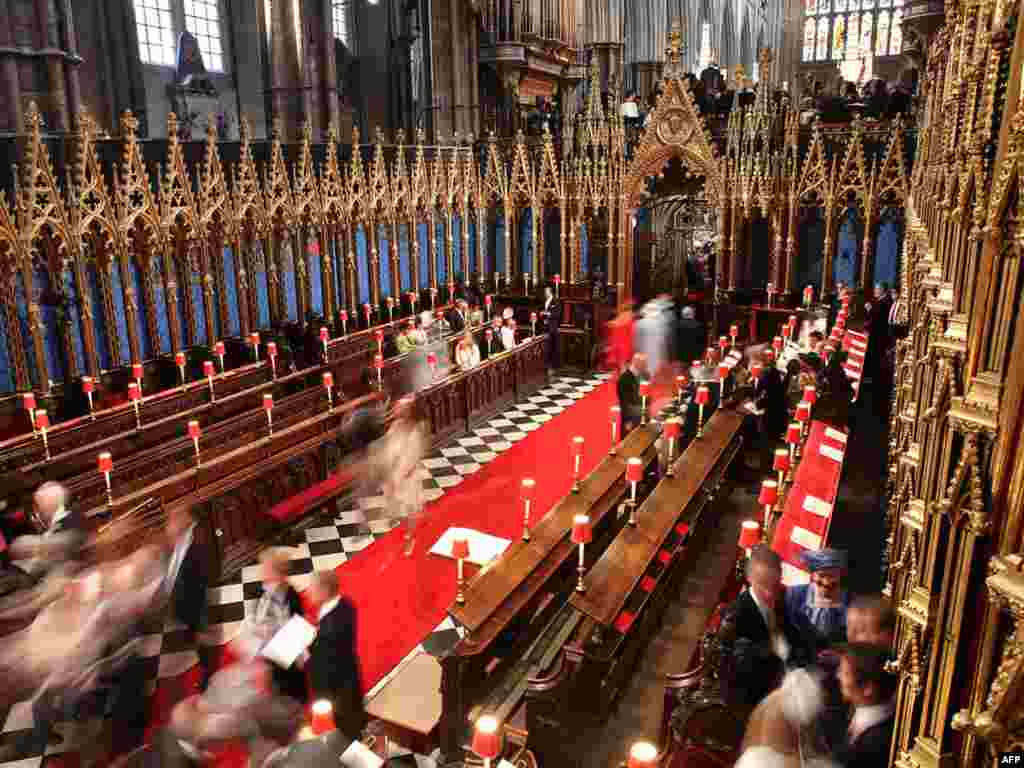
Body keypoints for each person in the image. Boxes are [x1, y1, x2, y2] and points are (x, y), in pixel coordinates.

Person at [728, 546, 807, 709]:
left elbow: (791, 633)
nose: (770, 593)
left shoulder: (779, 599)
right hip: (756, 695)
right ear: (750, 579)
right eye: (763, 585)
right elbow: (743, 665)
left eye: (775, 585)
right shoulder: (738, 614)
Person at [238, 547, 308, 703]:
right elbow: (252, 623)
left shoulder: (291, 596)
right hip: (267, 658)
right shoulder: (258, 592)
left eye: (265, 567)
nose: (260, 571)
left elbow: (297, 632)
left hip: (286, 662)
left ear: (277, 572)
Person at [305, 570, 365, 742]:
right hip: (349, 676)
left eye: (312, 588)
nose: (308, 592)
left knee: (344, 731)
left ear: (324, 591)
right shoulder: (346, 603)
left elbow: (323, 661)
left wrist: (306, 650)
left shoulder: (330, 627)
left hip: (336, 690)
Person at [166, 507, 212, 686]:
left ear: (183, 524)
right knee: (195, 641)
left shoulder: (196, 544)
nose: (168, 526)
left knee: (202, 644)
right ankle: (204, 667)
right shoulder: (180, 542)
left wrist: (200, 617)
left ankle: (207, 677)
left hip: (195, 605)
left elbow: (200, 582)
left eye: (172, 522)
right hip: (186, 604)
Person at [832, 643, 897, 767]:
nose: (838, 676)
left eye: (845, 673)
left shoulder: (876, 742)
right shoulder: (855, 707)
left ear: (867, 688)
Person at [10, 482, 86, 579]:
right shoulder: (53, 525)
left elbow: (65, 552)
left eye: (39, 504)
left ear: (50, 503)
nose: (38, 510)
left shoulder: (73, 519)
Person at [785, 549, 851, 655]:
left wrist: (840, 658)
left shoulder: (850, 602)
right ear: (812, 574)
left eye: (832, 576)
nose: (826, 582)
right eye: (821, 575)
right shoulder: (794, 595)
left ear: (840, 575)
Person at [617, 353, 648, 434]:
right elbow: (624, 402)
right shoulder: (624, 379)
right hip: (631, 420)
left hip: (642, 418)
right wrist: (628, 420)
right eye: (644, 363)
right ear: (637, 363)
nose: (646, 365)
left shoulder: (644, 375)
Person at [542, 285, 561, 372]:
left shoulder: (555, 301)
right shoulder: (544, 301)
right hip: (545, 326)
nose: (545, 293)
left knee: (553, 346)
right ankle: (546, 364)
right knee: (547, 346)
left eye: (546, 292)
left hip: (553, 327)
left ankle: (554, 365)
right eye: (545, 292)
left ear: (550, 292)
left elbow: (557, 314)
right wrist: (542, 313)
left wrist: (548, 314)